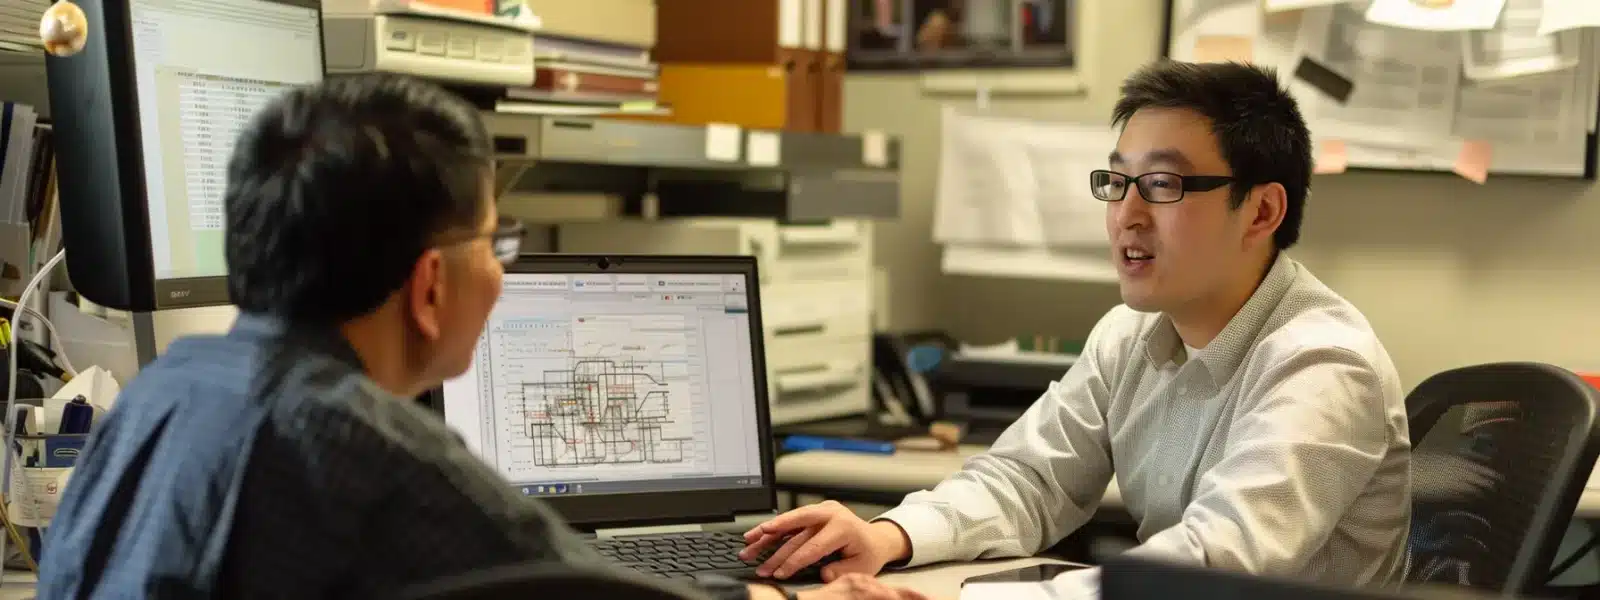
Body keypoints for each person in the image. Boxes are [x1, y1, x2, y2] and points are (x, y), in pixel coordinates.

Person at [37, 74, 925, 600]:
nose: (501, 270)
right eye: (495, 242)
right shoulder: (364, 447)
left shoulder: (166, 389)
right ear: (429, 286)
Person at [739, 60, 1412, 596]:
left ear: (1262, 211)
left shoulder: (1324, 364)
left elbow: (1213, 562)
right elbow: (1028, 481)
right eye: (1117, 183)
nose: (1127, 215)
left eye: (1163, 185)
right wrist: (890, 535)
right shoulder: (1131, 335)